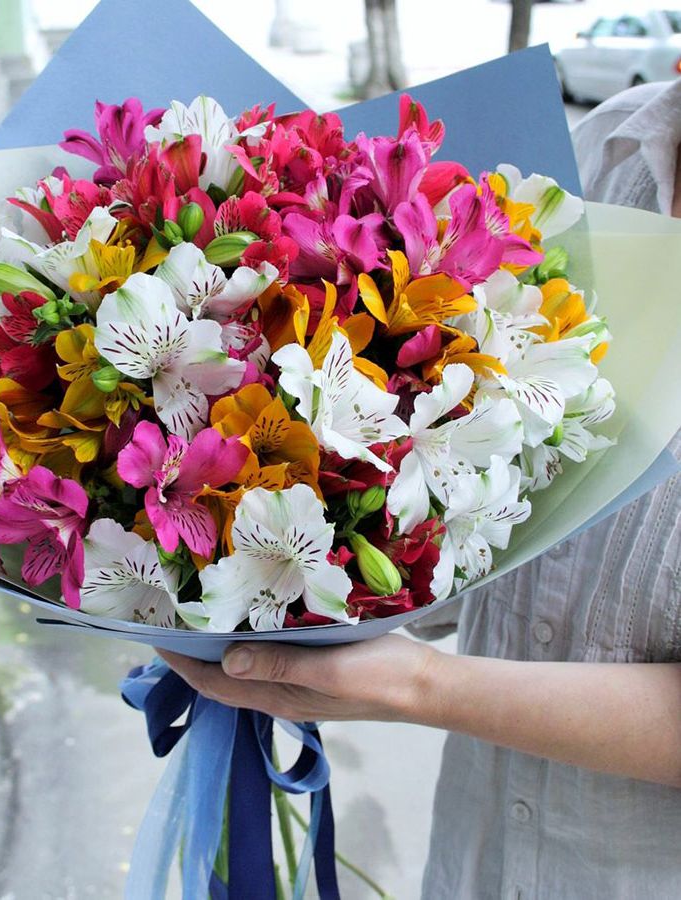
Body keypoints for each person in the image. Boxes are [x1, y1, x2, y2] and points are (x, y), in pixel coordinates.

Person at [160, 79, 681, 899]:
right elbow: (519, 483)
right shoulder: (613, 147)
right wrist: (326, 579)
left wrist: (412, 684)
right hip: (476, 859)